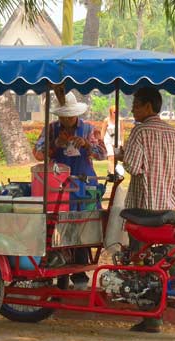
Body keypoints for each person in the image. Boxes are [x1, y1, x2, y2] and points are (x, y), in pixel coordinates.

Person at [115, 87, 175, 333]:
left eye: (135, 104)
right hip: (168, 209)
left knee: (140, 262)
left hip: (143, 211)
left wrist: (121, 156)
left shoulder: (141, 130)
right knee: (164, 261)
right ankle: (163, 306)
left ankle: (151, 317)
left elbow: (133, 167)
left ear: (148, 107)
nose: (132, 109)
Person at [33, 91, 107, 289]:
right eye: (62, 117)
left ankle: (80, 276)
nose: (66, 120)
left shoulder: (89, 129)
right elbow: (38, 154)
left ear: (76, 114)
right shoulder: (51, 130)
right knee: (54, 228)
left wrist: (87, 145)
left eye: (69, 116)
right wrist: (53, 146)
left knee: (80, 230)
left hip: (82, 186)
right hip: (56, 186)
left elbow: (103, 154)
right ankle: (50, 273)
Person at [101, 105, 124, 174]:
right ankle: (111, 173)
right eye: (114, 112)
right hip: (108, 140)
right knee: (111, 156)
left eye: (117, 112)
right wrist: (101, 142)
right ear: (111, 112)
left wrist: (122, 142)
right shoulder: (106, 120)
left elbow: (122, 131)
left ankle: (113, 171)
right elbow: (103, 131)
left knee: (116, 157)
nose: (116, 113)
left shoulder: (120, 120)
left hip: (117, 140)